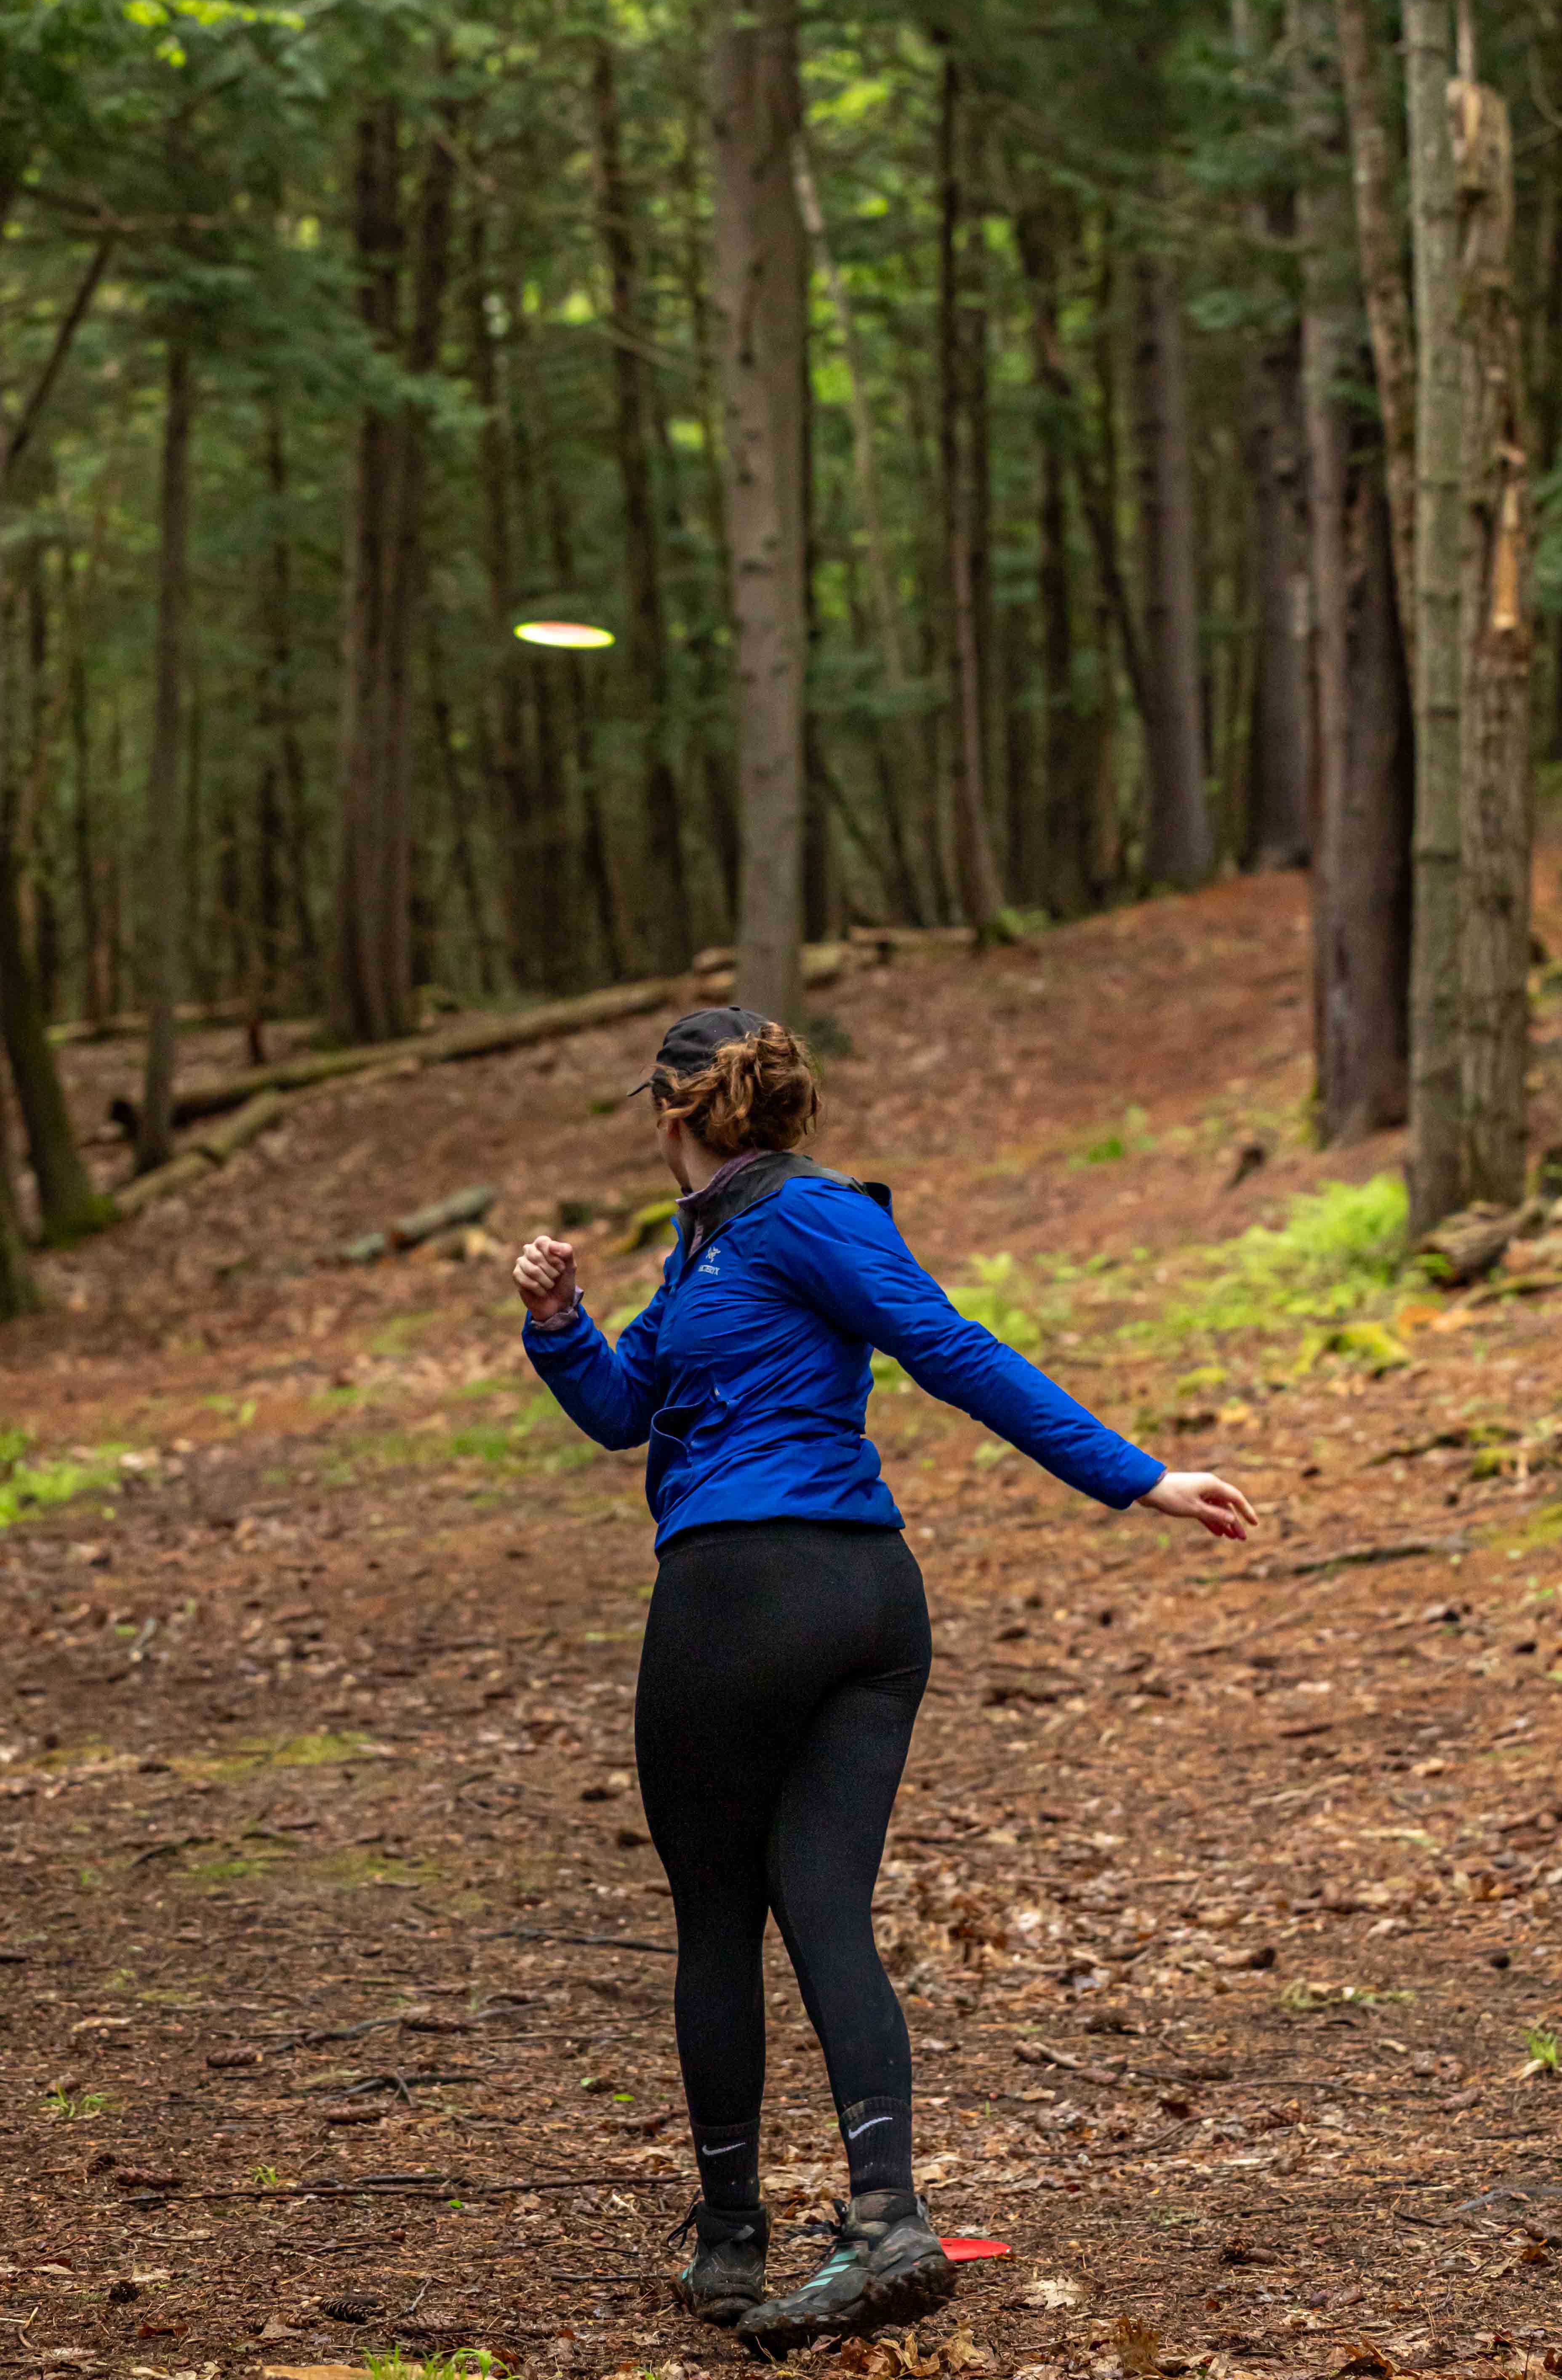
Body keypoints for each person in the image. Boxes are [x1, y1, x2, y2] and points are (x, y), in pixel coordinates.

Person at [513, 1006, 1256, 2358]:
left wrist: (1137, 1477)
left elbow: (951, 1349)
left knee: (719, 1920)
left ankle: (732, 2239)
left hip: (748, 1597)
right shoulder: (713, 1244)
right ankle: (880, 2220)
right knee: (820, 1907)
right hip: (862, 1598)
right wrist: (561, 1323)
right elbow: (626, 1411)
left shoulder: (803, 1218)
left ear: (672, 1114)